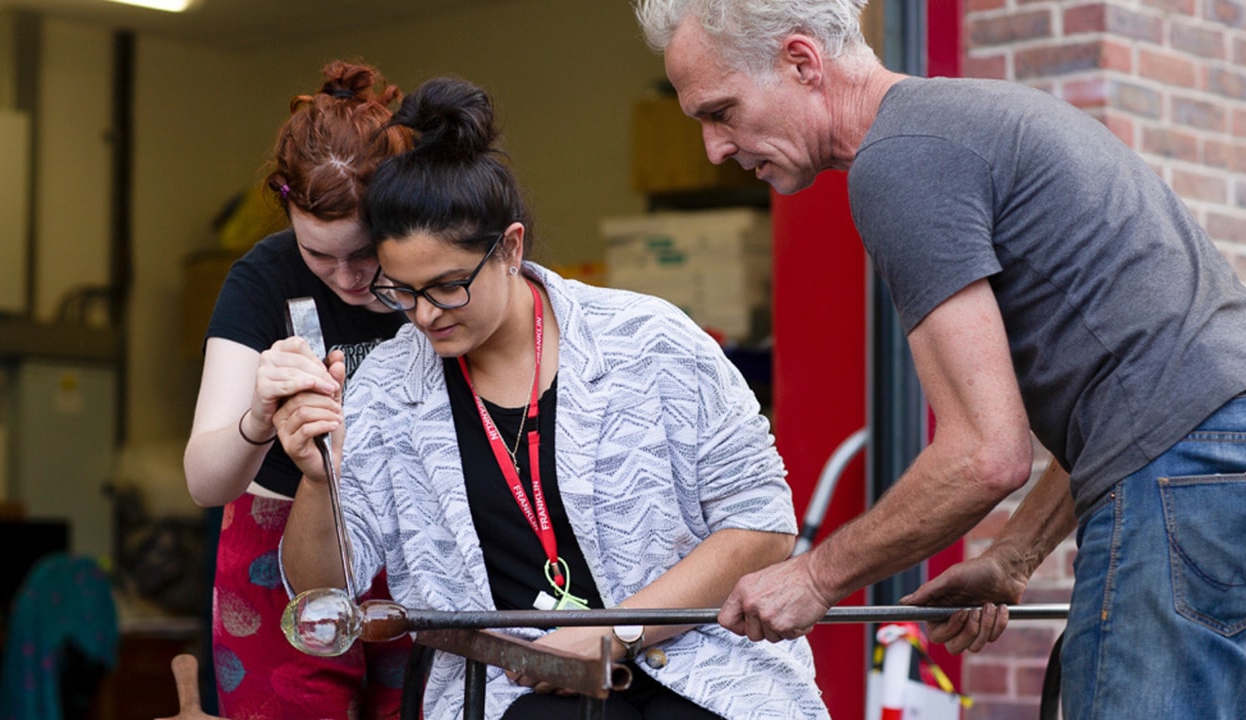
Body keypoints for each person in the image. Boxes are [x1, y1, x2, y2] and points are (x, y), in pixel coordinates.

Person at [634, 1, 1246, 718]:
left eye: (722, 111)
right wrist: (1015, 555)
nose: (715, 148)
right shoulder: (969, 117)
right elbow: (1146, 400)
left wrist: (815, 575)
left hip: (1189, 484)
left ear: (803, 63)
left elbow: (985, 456)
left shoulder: (899, 162)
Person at [274, 77, 829, 720]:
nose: (424, 316)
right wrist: (319, 482)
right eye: (401, 292)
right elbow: (323, 590)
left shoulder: (648, 340)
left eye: (448, 286)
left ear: (509, 247)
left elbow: (761, 522)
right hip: (516, 689)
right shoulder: (390, 388)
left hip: (702, 665)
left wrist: (615, 632)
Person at [182, 60, 413, 719]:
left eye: (366, 252)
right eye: (319, 256)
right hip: (274, 542)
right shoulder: (261, 279)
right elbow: (205, 481)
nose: (345, 277)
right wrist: (256, 418)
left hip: (409, 541)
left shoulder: (432, 274)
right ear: (287, 208)